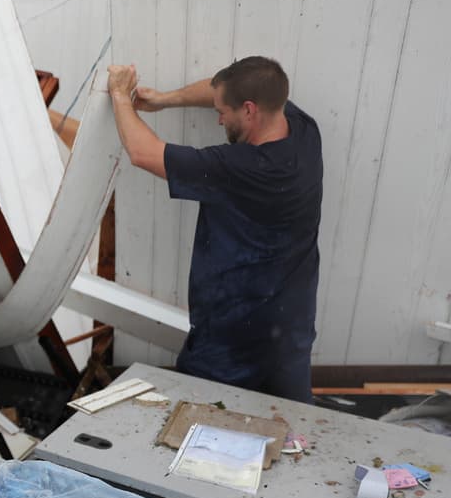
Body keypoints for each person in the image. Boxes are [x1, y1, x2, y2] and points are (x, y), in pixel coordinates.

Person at [106, 56, 322, 403]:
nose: (218, 117)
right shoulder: (303, 130)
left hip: (233, 336)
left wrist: (119, 94)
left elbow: (143, 153)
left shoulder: (240, 168)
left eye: (223, 111)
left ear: (249, 110)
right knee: (295, 425)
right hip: (290, 328)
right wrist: (164, 100)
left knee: (198, 422)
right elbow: (227, 88)